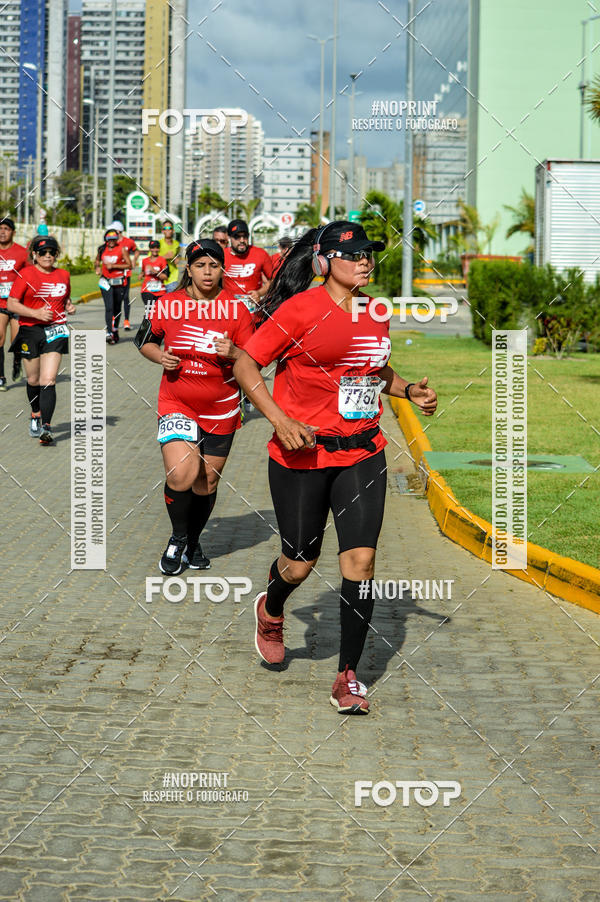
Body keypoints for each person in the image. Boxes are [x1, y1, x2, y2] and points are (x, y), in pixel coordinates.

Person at [233, 221, 438, 715]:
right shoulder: (299, 309)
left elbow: (372, 368)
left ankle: (348, 676)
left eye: (370, 254)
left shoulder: (375, 312)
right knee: (299, 562)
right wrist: (279, 419)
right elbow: (245, 362)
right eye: (354, 255)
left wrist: (408, 389)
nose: (366, 261)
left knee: (360, 563)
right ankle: (272, 606)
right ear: (324, 262)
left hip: (362, 453)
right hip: (301, 454)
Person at [137, 238, 254, 575]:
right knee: (181, 474)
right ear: (188, 269)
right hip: (177, 401)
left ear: (222, 269)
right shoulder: (167, 304)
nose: (207, 272)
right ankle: (177, 538)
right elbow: (143, 341)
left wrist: (234, 353)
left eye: (213, 265)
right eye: (200, 265)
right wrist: (161, 356)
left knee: (206, 484)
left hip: (222, 408)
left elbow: (254, 358)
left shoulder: (237, 308)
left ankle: (193, 539)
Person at [7, 235, 75, 444]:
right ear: (34, 254)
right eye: (43, 252)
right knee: (34, 380)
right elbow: (11, 303)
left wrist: (69, 307)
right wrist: (35, 314)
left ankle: (47, 427)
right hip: (31, 330)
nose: (48, 256)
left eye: (52, 252)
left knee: (49, 380)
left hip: (56, 330)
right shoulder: (26, 274)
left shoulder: (63, 274)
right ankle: (35, 412)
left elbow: (64, 298)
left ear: (56, 255)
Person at [0, 216, 28, 389]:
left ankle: (16, 364)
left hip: (16, 303)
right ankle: (0, 376)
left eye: (6, 229)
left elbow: (31, 276)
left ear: (13, 232)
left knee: (16, 341)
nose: (2, 232)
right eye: (0, 228)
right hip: (0, 303)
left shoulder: (21, 252)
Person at [223, 219, 273, 313]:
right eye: (237, 237)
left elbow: (274, 281)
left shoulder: (260, 254)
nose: (242, 240)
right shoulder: (222, 255)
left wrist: (259, 293)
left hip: (254, 313)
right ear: (229, 237)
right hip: (228, 312)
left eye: (245, 236)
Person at [95, 227, 132, 344]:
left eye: (114, 239)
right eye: (109, 239)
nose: (111, 241)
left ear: (117, 239)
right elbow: (97, 261)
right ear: (106, 239)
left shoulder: (122, 249)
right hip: (105, 281)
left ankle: (115, 329)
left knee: (117, 308)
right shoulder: (102, 249)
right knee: (109, 307)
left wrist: (114, 266)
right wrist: (97, 268)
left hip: (118, 282)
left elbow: (129, 265)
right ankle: (109, 332)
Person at [111, 220, 139, 330]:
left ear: (118, 231)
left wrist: (133, 260)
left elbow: (136, 251)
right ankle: (114, 319)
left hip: (125, 274)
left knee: (125, 297)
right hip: (113, 275)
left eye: (113, 231)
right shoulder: (111, 243)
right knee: (114, 298)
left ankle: (126, 320)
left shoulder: (129, 242)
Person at [140, 240, 168, 316]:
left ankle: (155, 327)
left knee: (159, 313)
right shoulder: (144, 261)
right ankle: (146, 326)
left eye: (157, 248)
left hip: (160, 291)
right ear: (150, 249)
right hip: (147, 290)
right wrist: (141, 275)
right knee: (149, 310)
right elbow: (143, 271)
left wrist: (155, 272)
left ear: (159, 249)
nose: (155, 250)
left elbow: (165, 277)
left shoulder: (162, 260)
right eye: (152, 248)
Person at [158, 220, 181, 292]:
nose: (167, 230)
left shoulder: (176, 244)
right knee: (159, 302)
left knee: (171, 301)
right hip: (159, 277)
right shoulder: (158, 243)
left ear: (173, 231)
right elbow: (150, 259)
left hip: (172, 278)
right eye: (165, 229)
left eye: (169, 228)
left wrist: (177, 259)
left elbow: (177, 256)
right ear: (162, 231)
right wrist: (164, 257)